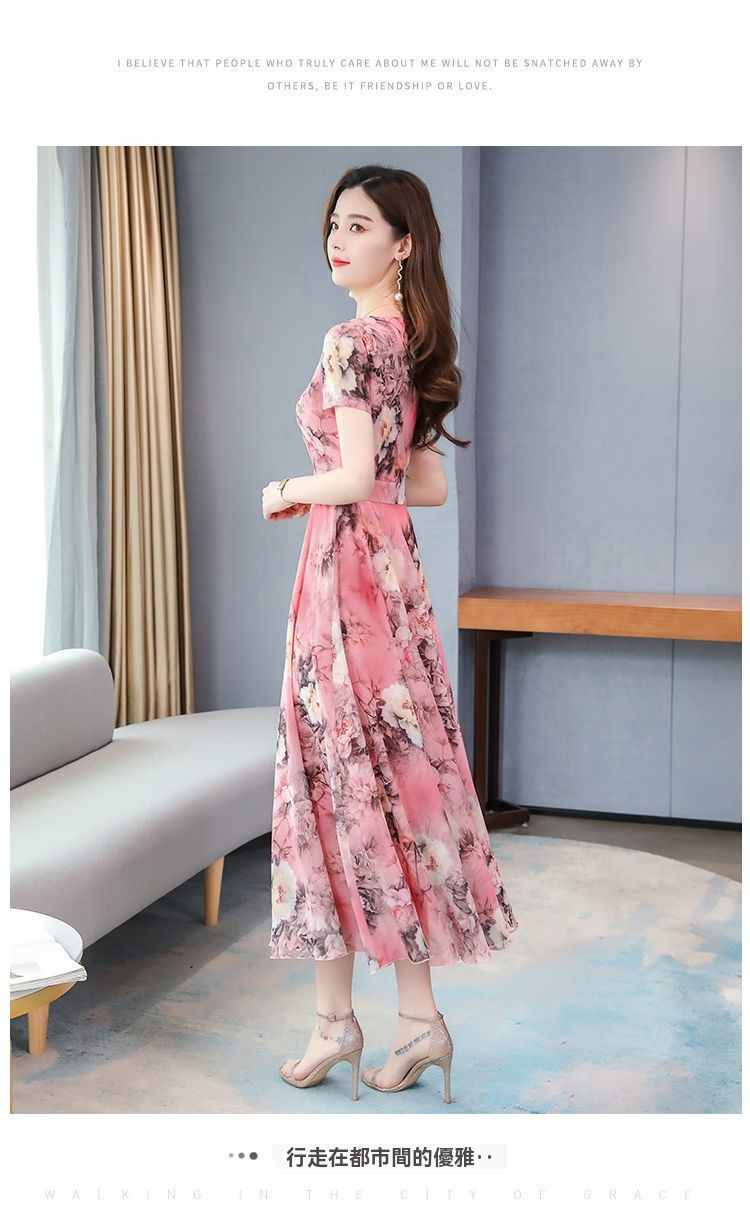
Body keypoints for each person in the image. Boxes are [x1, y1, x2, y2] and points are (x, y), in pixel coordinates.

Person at [262, 165, 518, 1102]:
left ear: (403, 244)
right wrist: (351, 481)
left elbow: (357, 475)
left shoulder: (349, 341)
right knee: (388, 784)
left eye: (361, 225)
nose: (339, 238)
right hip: (393, 583)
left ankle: (345, 1020)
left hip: (342, 581)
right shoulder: (410, 343)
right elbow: (426, 484)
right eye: (335, 222)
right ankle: (412, 1022)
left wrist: (286, 488)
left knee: (328, 783)